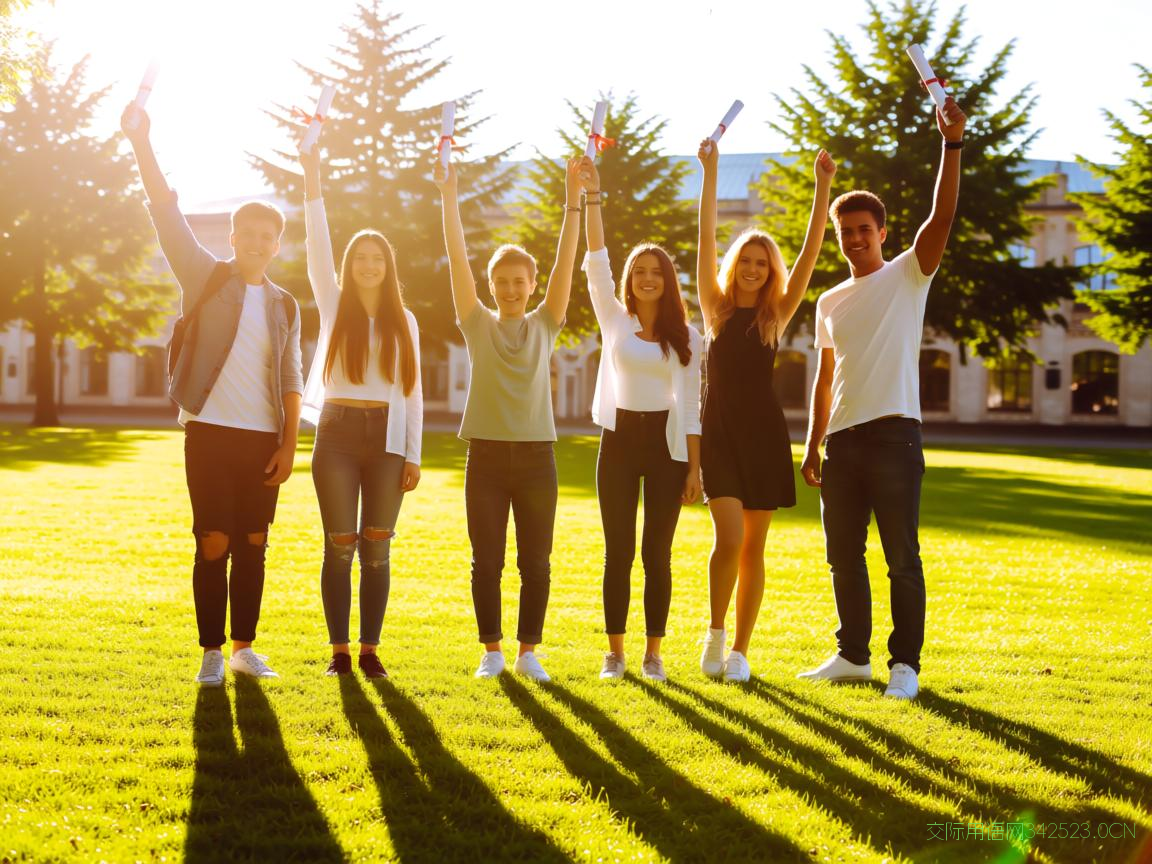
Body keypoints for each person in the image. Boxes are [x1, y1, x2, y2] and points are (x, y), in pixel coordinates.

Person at [122, 105, 303, 686]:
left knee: (253, 542)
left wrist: (289, 444)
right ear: (232, 238)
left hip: (262, 441)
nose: (256, 242)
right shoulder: (206, 276)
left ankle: (245, 649)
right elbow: (165, 215)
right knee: (213, 542)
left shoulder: (284, 305)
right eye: (247, 234)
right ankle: (210, 653)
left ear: (277, 244)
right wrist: (142, 144)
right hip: (209, 434)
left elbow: (292, 377)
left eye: (267, 236)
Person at [797, 97, 967, 700]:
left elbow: (940, 220)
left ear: (883, 233)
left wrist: (950, 145)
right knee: (843, 556)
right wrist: (813, 444)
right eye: (845, 232)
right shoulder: (829, 303)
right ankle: (852, 655)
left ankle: (905, 666)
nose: (853, 240)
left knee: (901, 557)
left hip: (896, 434)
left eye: (864, 230)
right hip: (841, 443)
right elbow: (824, 378)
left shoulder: (907, 274)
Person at [433, 154, 589, 681]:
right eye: (501, 281)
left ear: (532, 283)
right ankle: (492, 651)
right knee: (487, 563)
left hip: (537, 458)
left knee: (536, 564)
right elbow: (457, 258)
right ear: (491, 285)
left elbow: (569, 257)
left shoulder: (548, 322)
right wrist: (448, 195)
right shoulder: (476, 323)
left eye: (519, 281)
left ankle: (527, 653)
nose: (509, 289)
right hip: (486, 457)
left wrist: (574, 197)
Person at [696, 140, 836, 682]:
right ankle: (714, 632)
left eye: (762, 263)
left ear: (769, 270)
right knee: (727, 538)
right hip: (719, 434)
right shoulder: (715, 305)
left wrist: (823, 188)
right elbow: (705, 236)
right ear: (735, 265)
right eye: (746, 261)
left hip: (764, 436)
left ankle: (741, 652)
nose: (753, 269)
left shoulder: (776, 313)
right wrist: (710, 172)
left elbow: (809, 255)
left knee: (755, 547)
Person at [298, 146, 422, 680]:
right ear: (349, 266)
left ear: (388, 266)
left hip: (388, 441)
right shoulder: (332, 301)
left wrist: (413, 455)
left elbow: (413, 394)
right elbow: (316, 246)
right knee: (339, 546)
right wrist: (312, 177)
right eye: (360, 258)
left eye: (377, 258)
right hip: (338, 436)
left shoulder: (406, 321)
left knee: (377, 547)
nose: (368, 265)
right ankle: (340, 652)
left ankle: (370, 651)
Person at [581, 160, 703, 682]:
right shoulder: (615, 319)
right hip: (619, 439)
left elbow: (692, 406)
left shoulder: (686, 334)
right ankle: (615, 654)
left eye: (656, 272)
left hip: (667, 445)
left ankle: (654, 655)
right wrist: (592, 197)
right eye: (640, 272)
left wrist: (695, 469)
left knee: (658, 554)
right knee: (618, 553)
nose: (647, 279)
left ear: (667, 280)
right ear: (631, 280)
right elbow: (595, 262)